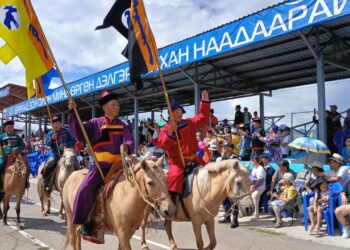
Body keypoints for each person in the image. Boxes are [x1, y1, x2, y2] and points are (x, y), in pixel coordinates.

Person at [68, 91, 135, 237]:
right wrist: (73, 113)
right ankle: (84, 221)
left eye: (118, 104)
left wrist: (127, 146)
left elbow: (129, 140)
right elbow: (79, 133)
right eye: (113, 104)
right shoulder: (94, 123)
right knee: (84, 189)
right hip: (100, 166)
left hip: (119, 166)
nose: (117, 107)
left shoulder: (123, 125)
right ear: (104, 107)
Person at [156, 90, 210, 201]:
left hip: (195, 158)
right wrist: (170, 133)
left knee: (210, 174)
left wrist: (204, 102)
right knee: (175, 178)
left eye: (180, 112)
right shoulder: (165, 129)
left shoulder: (189, 123)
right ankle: (171, 204)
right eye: (176, 112)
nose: (179, 114)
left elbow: (203, 117)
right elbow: (163, 145)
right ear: (170, 114)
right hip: (178, 162)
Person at [42, 116, 76, 190]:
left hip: (66, 152)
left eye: (57, 123)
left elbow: (74, 140)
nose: (55, 125)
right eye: (53, 123)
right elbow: (47, 143)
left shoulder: (67, 131)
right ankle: (45, 181)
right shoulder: (50, 133)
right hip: (55, 153)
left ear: (60, 124)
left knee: (76, 163)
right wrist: (51, 139)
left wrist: (66, 144)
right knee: (49, 164)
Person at [0, 119, 26, 194]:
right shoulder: (1, 136)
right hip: (4, 156)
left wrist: (17, 148)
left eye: (12, 127)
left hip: (16, 156)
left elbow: (23, 145)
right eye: (9, 127)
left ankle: (25, 183)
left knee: (25, 166)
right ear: (5, 128)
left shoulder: (16, 136)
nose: (11, 128)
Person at [249, 156, 266, 221]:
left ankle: (256, 215)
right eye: (252, 160)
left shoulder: (260, 168)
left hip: (261, 187)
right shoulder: (254, 168)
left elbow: (259, 180)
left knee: (254, 197)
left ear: (256, 161)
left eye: (253, 160)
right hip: (255, 186)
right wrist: (251, 186)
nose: (252, 162)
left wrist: (253, 186)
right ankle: (255, 213)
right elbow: (252, 179)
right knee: (254, 198)